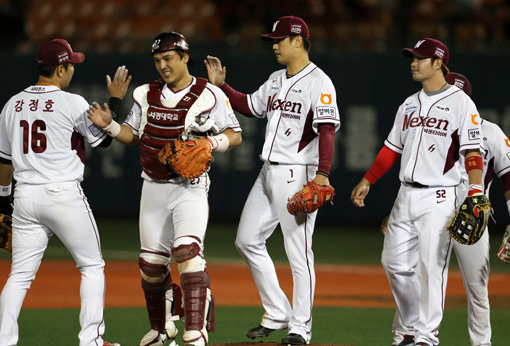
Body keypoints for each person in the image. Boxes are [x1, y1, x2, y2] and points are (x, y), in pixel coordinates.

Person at [87, 31, 242, 346]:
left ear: (185, 57)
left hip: (189, 187)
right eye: (157, 60)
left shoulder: (209, 93)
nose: (162, 65)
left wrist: (209, 142)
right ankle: (161, 328)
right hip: (153, 187)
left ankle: (196, 330)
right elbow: (132, 134)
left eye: (168, 58)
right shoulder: (145, 93)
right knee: (151, 265)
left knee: (187, 252)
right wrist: (110, 126)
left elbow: (235, 134)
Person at [205, 15, 340, 345]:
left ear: (298, 41)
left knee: (299, 252)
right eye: (273, 41)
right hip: (268, 171)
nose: (274, 45)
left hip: (299, 172)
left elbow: (326, 130)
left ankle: (301, 328)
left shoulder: (319, 82)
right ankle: (278, 311)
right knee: (246, 240)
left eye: (279, 40)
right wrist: (223, 86)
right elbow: (250, 106)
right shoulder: (276, 78)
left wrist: (322, 174)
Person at [351, 38, 486, 346]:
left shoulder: (461, 102)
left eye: (420, 58)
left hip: (440, 196)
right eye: (412, 57)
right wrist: (369, 179)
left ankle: (426, 336)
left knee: (430, 267)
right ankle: (412, 325)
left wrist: (476, 189)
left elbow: (473, 152)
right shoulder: (409, 103)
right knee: (393, 263)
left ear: (438, 63)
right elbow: (390, 148)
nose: (413, 62)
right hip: (405, 194)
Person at [0, 39, 123, 346]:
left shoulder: (12, 105)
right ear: (61, 68)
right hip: (62, 195)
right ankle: (91, 341)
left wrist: (2, 203)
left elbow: (4, 161)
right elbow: (103, 140)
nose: (72, 71)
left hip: (25, 198)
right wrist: (116, 102)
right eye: (71, 65)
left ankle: (3, 341)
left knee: (19, 276)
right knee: (92, 266)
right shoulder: (72, 102)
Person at [383, 72, 510, 346]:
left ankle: (481, 342)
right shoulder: (430, 122)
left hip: (471, 217)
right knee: (418, 275)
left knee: (477, 286)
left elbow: (508, 177)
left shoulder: (490, 133)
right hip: (433, 206)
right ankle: (405, 335)